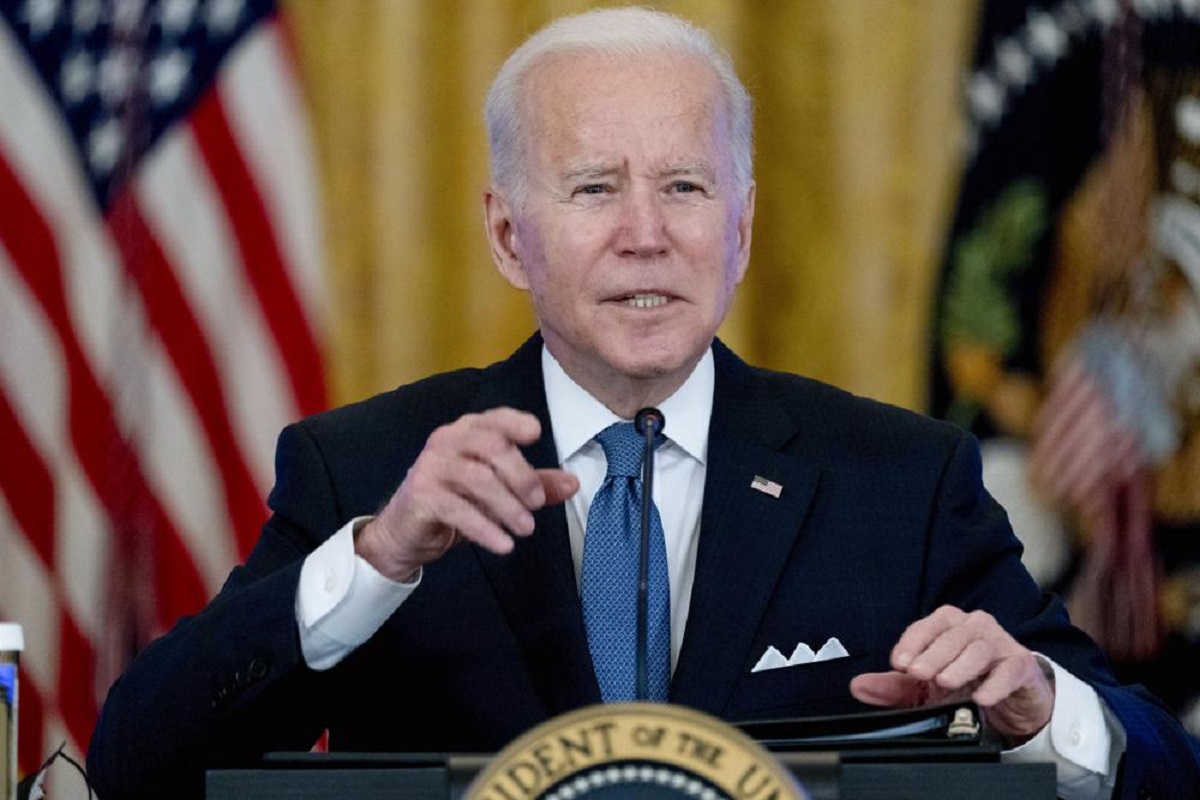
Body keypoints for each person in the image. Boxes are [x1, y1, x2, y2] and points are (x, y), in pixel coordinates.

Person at [86, 7, 1200, 799]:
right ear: (507, 232)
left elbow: (1162, 764)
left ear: (743, 227)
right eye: (592, 188)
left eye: (684, 185)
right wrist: (374, 556)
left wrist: (1041, 704)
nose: (645, 234)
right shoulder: (369, 470)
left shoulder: (899, 481)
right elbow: (141, 760)